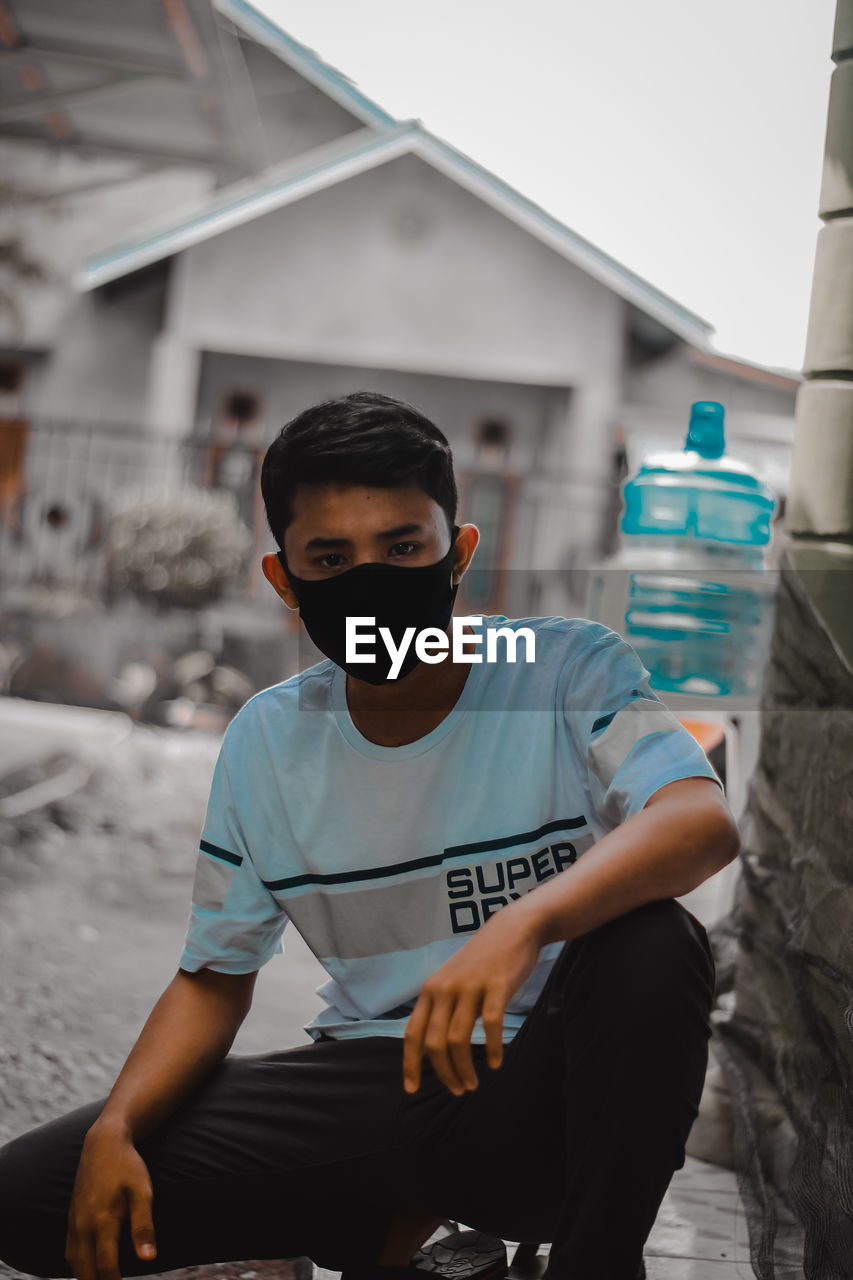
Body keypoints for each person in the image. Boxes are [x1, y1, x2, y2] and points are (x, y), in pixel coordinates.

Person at [0, 392, 739, 1280]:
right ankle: (400, 1228)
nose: (370, 582)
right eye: (330, 558)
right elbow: (212, 981)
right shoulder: (272, 737)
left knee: (653, 941)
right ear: (283, 581)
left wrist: (523, 925)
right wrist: (117, 1129)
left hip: (555, 1094)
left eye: (401, 549)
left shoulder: (557, 666)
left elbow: (697, 820)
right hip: (376, 1087)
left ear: (456, 555)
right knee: (36, 1197)